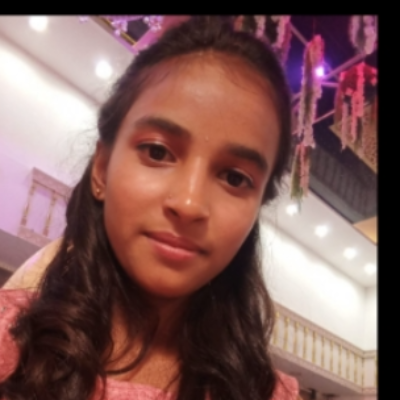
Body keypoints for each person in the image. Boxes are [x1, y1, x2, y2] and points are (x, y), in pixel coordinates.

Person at [0, 16, 299, 400]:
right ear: (102, 167)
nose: (189, 204)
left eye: (235, 178)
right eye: (157, 152)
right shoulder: (10, 340)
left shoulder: (268, 393)